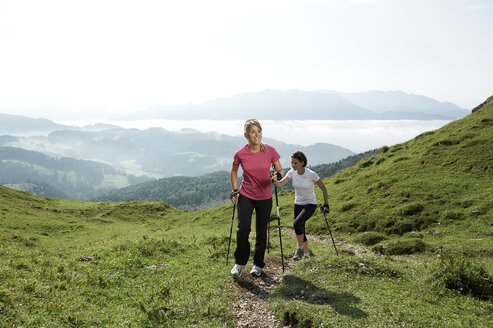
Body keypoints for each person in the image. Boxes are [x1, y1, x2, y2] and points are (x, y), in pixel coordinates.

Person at [230, 119, 284, 277]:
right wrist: (234, 190)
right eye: (253, 132)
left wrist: (276, 176)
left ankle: (258, 264)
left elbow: (280, 171)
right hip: (246, 195)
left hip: (265, 196)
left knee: (261, 231)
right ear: (246, 135)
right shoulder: (240, 153)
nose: (256, 135)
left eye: (259, 131)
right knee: (243, 229)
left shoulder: (270, 150)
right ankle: (239, 263)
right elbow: (234, 171)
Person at [272, 151, 329, 260]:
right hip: (298, 204)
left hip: (310, 204)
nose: (293, 165)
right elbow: (280, 184)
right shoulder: (291, 173)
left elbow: (324, 189)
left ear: (302, 163)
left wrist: (326, 204)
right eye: (292, 163)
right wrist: (274, 180)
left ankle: (299, 248)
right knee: (300, 228)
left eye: (296, 163)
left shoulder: (311, 174)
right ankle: (306, 255)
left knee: (296, 224)